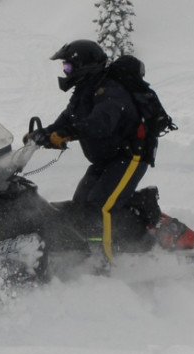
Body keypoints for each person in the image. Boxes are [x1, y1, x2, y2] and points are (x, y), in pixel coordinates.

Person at [26, 39, 147, 260]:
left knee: (99, 209)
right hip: (105, 160)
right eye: (64, 67)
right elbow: (65, 121)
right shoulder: (84, 93)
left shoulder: (110, 90)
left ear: (84, 66)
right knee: (80, 208)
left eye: (68, 67)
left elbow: (100, 123)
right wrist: (42, 135)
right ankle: (84, 255)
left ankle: (105, 262)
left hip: (130, 157)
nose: (65, 71)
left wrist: (68, 134)